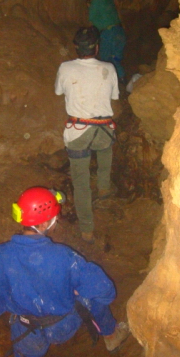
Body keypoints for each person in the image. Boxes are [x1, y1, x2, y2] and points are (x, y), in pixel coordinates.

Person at [0, 186, 130, 357]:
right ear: (43, 224)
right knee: (91, 295)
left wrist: (7, 303)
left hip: (26, 331)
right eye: (54, 218)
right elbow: (106, 291)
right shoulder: (64, 256)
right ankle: (111, 335)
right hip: (62, 326)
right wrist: (74, 290)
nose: (56, 220)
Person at [55, 26, 119, 243]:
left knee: (81, 182)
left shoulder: (65, 67)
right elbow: (115, 96)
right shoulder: (109, 68)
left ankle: (87, 229)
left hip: (78, 132)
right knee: (104, 150)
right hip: (104, 130)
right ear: (97, 47)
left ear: (76, 48)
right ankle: (103, 188)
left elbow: (58, 91)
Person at [87, 0, 127, 84]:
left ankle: (109, 85)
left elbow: (90, 19)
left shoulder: (95, 1)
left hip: (109, 34)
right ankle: (122, 83)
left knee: (105, 62)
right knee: (115, 60)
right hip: (120, 32)